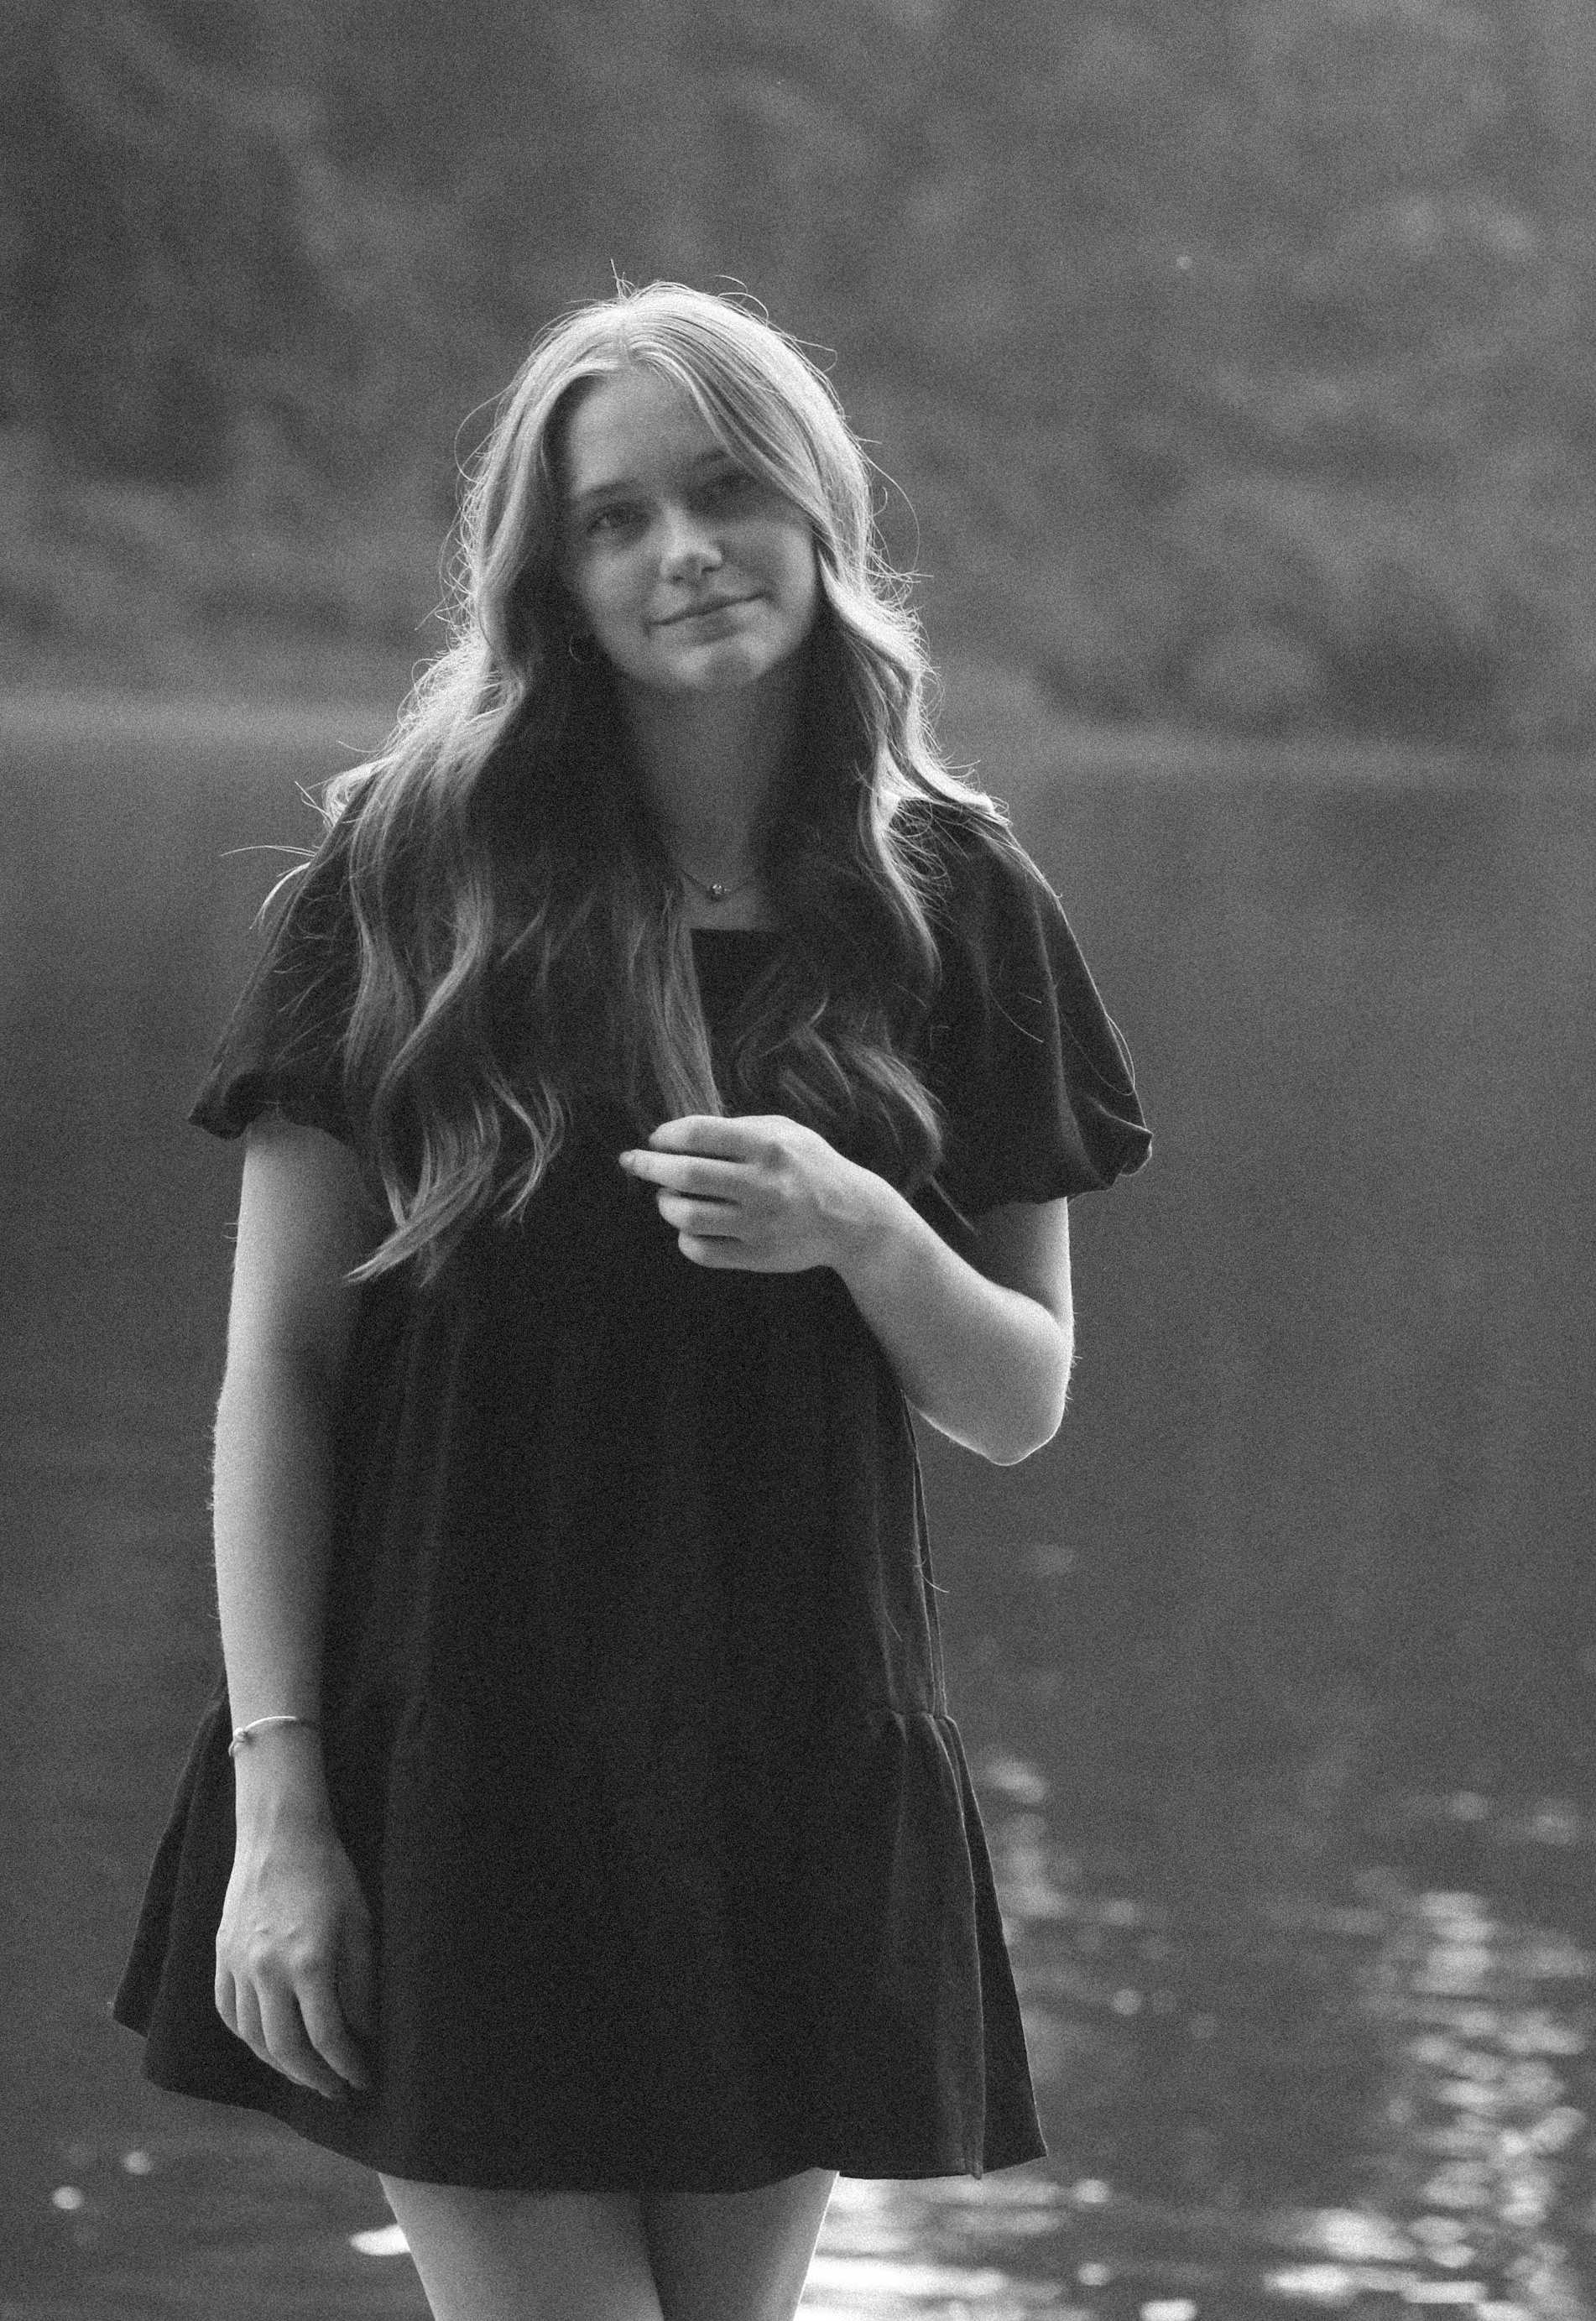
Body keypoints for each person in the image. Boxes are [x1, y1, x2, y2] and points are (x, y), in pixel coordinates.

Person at [113, 281, 1150, 2321]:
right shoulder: (410, 873)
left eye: (726, 490)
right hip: (459, 1768)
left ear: (817, 513)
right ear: (550, 574)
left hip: (786, 1768)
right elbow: (279, 1377)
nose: (680, 551)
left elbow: (1016, 1396)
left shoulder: (957, 896)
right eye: (614, 518)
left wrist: (864, 1226)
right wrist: (285, 1812)